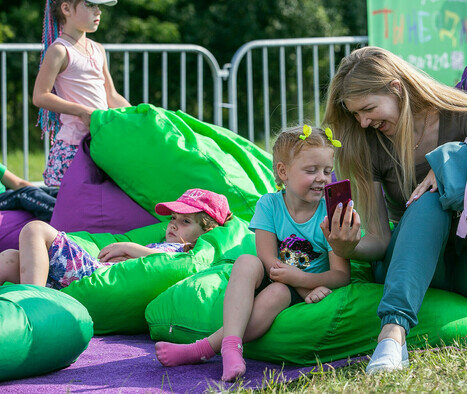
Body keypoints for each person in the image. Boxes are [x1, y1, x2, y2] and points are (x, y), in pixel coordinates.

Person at [323, 45, 467, 373]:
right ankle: (393, 337)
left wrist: (449, 164)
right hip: (415, 268)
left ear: (396, 88)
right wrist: (348, 246)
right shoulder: (368, 142)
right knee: (428, 200)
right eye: (356, 115)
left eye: (368, 108)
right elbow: (381, 240)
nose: (364, 121)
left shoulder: (458, 113)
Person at [154, 126, 351, 381]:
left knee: (278, 293)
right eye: (311, 170)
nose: (322, 178)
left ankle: (205, 348)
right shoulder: (269, 204)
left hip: (300, 287)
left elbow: (341, 275)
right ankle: (231, 348)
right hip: (283, 277)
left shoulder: (330, 212)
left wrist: (302, 283)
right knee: (247, 260)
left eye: (327, 170)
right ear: (283, 172)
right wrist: (300, 284)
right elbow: (268, 260)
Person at [0, 188, 230, 288]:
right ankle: (35, 291)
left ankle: (34, 301)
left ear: (204, 231)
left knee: (36, 229)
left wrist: (129, 247)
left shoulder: (186, 252)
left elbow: (169, 263)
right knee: (11, 258)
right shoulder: (163, 241)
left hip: (95, 274)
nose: (173, 224)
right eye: (173, 217)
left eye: (185, 221)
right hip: (93, 271)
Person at [33, 0, 130, 187]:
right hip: (73, 147)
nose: (98, 11)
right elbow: (40, 95)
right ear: (67, 8)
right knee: (70, 211)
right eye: (90, 5)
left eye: (98, 6)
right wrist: (81, 111)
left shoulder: (98, 49)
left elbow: (111, 95)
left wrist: (138, 115)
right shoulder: (59, 50)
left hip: (100, 144)